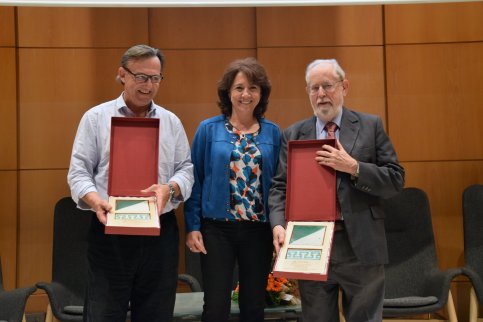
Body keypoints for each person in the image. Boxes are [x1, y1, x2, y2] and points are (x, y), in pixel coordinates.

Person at [269, 59, 405, 322]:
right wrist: (277, 225)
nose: (321, 94)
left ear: (344, 87)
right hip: (310, 245)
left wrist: (354, 167)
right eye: (314, 88)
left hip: (361, 246)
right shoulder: (294, 134)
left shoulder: (370, 126)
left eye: (327, 86)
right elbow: (279, 187)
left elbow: (396, 179)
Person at [67, 44, 194, 322]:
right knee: (104, 313)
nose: (149, 85)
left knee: (156, 314)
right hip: (110, 231)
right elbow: (78, 172)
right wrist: (93, 200)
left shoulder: (171, 122)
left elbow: (186, 169)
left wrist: (170, 188)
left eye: (155, 78)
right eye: (141, 77)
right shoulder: (95, 118)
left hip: (160, 234)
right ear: (122, 74)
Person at [184, 57, 281, 322]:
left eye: (253, 88)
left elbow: (280, 186)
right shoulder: (208, 129)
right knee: (215, 307)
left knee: (254, 307)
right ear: (228, 92)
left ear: (262, 93)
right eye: (239, 88)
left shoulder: (273, 133)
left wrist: (280, 226)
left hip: (258, 231)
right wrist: (193, 226)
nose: (245, 94)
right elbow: (196, 180)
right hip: (217, 231)